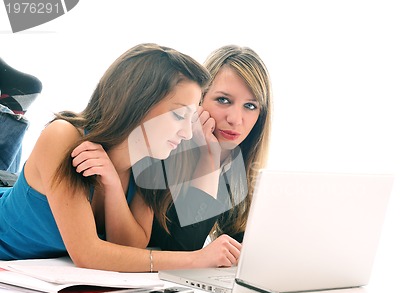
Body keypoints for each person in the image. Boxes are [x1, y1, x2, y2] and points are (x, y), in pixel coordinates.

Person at [0, 43, 242, 271]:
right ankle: (9, 106)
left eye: (191, 119)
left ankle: (11, 105)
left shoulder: (152, 161)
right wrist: (196, 260)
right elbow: (88, 254)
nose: (188, 133)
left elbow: (129, 247)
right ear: (137, 104)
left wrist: (113, 186)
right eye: (179, 116)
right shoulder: (62, 136)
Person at [149, 45, 272, 252]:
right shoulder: (164, 150)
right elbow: (181, 250)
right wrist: (209, 161)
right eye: (223, 100)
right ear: (199, 99)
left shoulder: (236, 166)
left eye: (250, 106)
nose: (235, 119)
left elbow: (241, 246)